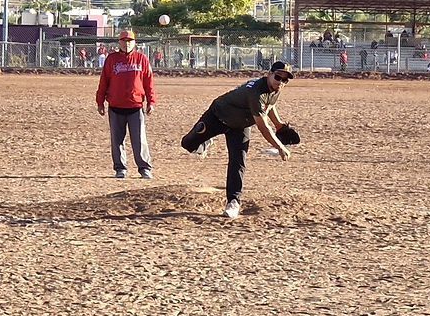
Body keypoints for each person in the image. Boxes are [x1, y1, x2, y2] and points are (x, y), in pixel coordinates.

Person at [179, 61, 294, 218]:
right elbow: (263, 127)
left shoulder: (274, 88)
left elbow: (269, 105)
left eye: (285, 80)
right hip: (218, 116)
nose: (281, 82)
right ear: (269, 74)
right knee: (187, 143)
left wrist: (279, 124)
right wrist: (280, 147)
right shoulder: (256, 92)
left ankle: (233, 201)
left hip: (240, 126)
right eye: (278, 77)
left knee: (238, 162)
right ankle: (205, 141)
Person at [95, 30, 156, 179]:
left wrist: (151, 101)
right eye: (123, 41)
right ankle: (120, 168)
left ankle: (144, 168)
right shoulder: (112, 59)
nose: (126, 43)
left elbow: (148, 82)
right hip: (116, 106)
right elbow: (104, 81)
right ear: (119, 42)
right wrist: (100, 101)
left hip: (135, 106)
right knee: (117, 140)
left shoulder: (141, 59)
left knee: (139, 140)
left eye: (129, 41)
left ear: (134, 43)